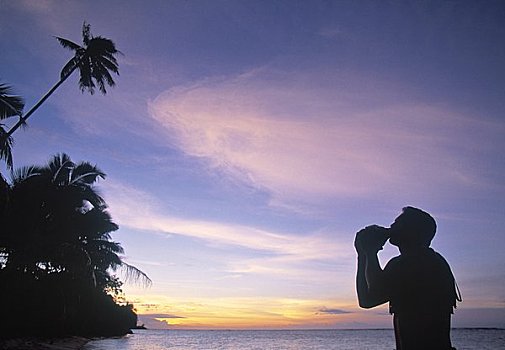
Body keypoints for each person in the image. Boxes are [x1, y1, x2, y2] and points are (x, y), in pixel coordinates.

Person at [355, 206, 461, 350]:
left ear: (412, 231)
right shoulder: (430, 260)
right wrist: (363, 254)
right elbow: (366, 301)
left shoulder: (413, 262)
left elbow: (372, 296)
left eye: (398, 223)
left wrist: (369, 253)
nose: (392, 226)